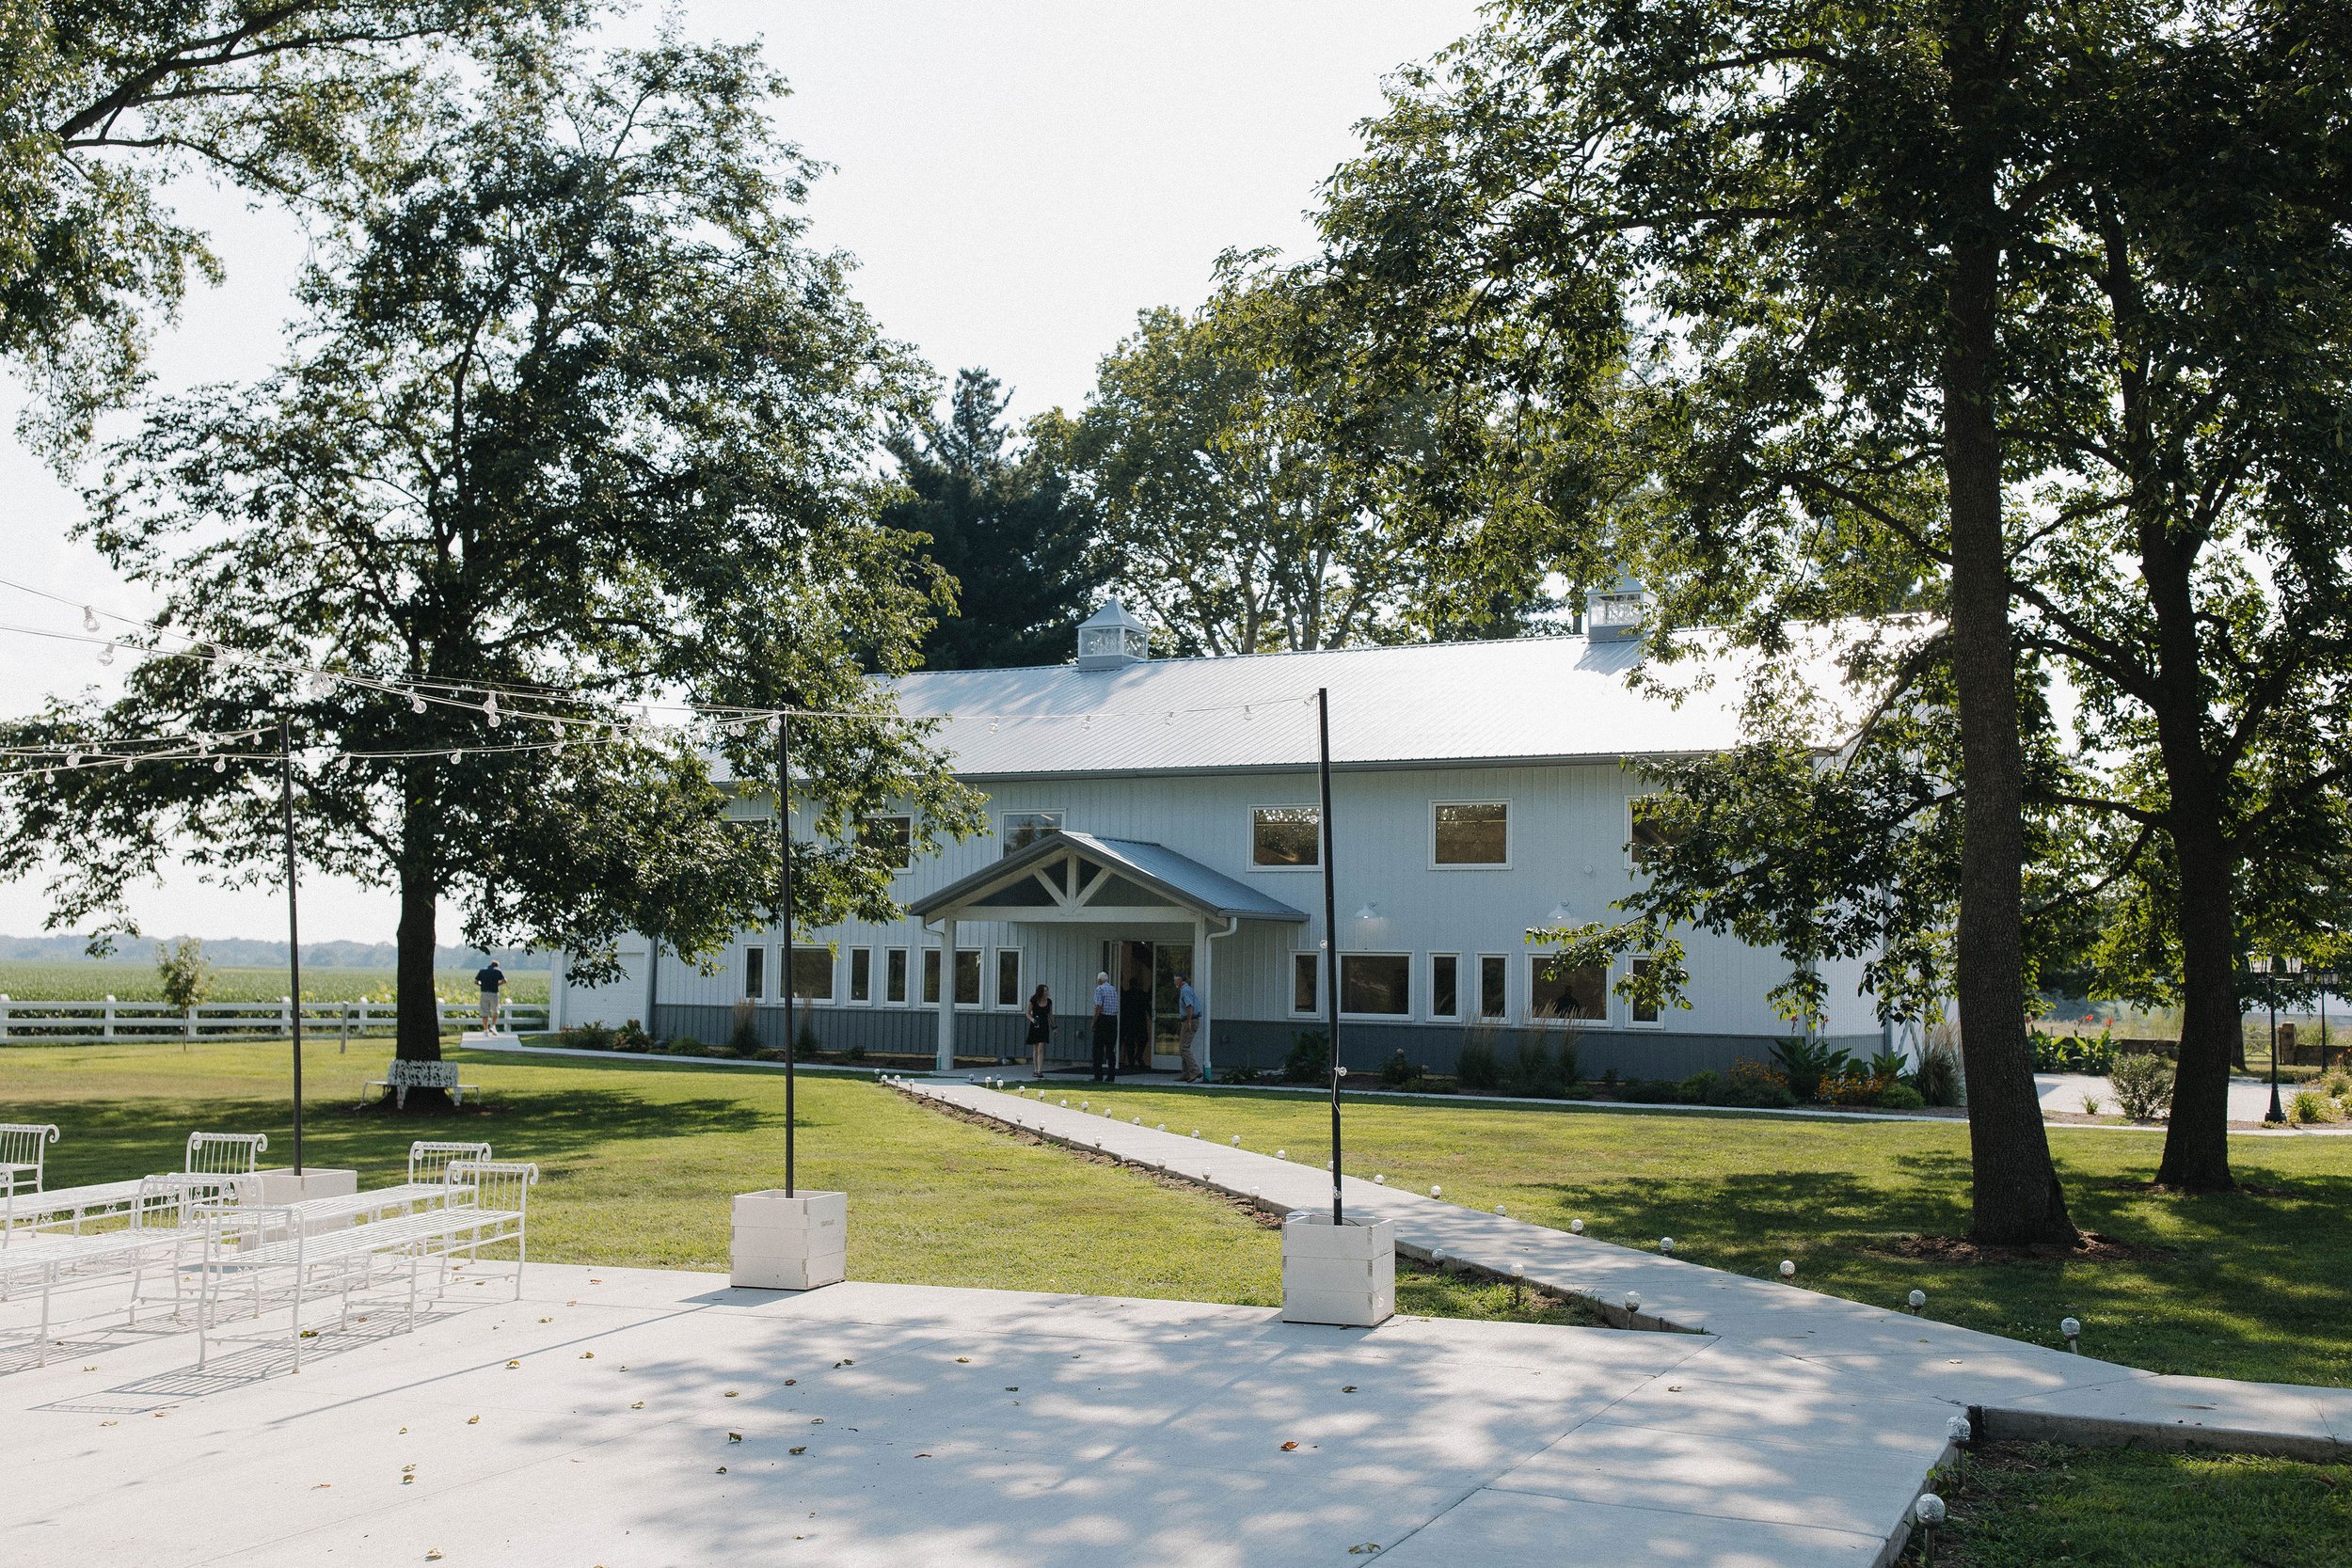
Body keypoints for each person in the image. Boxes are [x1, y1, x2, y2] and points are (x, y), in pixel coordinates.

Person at [1089, 970, 1120, 1082]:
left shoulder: (1100, 989)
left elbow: (1098, 1006)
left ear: (1100, 980)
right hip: (1113, 1019)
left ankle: (1098, 1076)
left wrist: (1094, 1021)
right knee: (1110, 1049)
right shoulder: (1113, 989)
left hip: (1103, 1019)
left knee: (1098, 1049)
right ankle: (1111, 1076)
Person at [1175, 972, 1203, 1083]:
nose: (1175, 982)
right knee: (1182, 1047)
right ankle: (1186, 1073)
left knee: (1184, 1047)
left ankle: (1195, 1071)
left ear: (1181, 980)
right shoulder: (1186, 990)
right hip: (1189, 1020)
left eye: (1175, 980)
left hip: (1190, 1020)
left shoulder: (1185, 990)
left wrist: (1189, 1021)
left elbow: (1189, 1006)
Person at [1025, 982, 1054, 1076]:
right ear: (1040, 992)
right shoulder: (1033, 1000)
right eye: (1045, 991)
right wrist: (1032, 1019)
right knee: (1035, 1048)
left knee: (1041, 1047)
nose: (1047, 992)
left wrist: (1054, 1026)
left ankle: (1039, 1070)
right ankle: (1035, 1069)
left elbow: (1050, 1015)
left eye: (1047, 990)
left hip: (1044, 1025)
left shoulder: (1049, 1002)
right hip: (1035, 1025)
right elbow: (1028, 1013)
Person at [474, 958, 506, 1033]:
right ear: (497, 966)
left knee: (484, 1011)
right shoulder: (498, 971)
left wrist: (481, 985)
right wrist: (498, 984)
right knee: (495, 1010)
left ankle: (485, 1029)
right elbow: (504, 981)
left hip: (484, 993)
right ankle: (493, 1026)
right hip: (494, 993)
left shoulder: (482, 971)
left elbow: (476, 981)